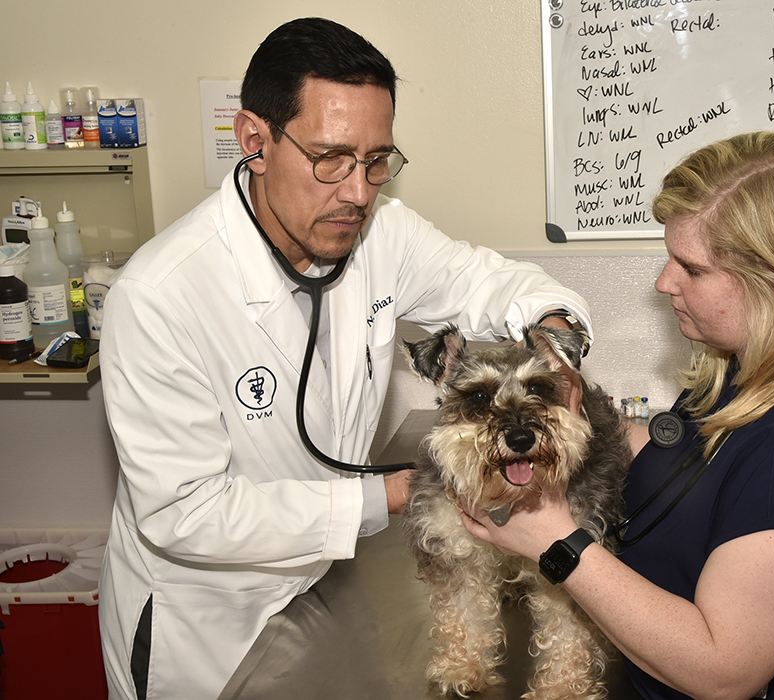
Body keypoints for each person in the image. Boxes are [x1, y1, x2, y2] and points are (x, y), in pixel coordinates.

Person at [97, 17, 590, 700]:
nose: (359, 192)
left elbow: (491, 282)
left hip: (323, 584)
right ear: (254, 141)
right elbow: (186, 514)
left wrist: (556, 332)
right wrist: (397, 491)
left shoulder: (382, 234)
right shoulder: (160, 296)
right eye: (330, 158)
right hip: (207, 623)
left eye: (378, 160)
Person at [461, 131, 774, 700]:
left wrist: (555, 541)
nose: (665, 282)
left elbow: (722, 671)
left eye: (692, 267)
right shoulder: (759, 365)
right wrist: (579, 431)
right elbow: (695, 464)